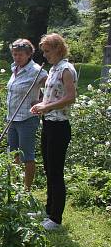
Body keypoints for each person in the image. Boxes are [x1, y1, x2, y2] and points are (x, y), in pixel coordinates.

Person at [30, 33, 77, 231]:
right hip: (48, 123)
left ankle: (56, 219)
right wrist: (41, 104)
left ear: (58, 48)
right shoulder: (53, 69)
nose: (45, 55)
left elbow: (71, 97)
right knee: (49, 168)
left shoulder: (67, 69)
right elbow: (52, 96)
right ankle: (49, 211)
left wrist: (47, 107)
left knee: (56, 171)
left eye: (47, 51)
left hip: (60, 126)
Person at [6, 39, 47, 191]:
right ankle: (14, 185)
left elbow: (52, 88)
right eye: (14, 54)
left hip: (27, 119)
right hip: (12, 118)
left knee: (26, 155)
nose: (17, 57)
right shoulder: (14, 68)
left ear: (29, 54)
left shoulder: (36, 71)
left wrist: (42, 102)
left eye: (20, 55)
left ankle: (26, 189)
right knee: (14, 153)